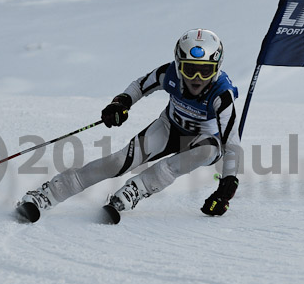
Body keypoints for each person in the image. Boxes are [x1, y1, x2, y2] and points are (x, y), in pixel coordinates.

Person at [16, 28, 242, 224]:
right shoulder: (169, 73)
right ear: (178, 63)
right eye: (190, 69)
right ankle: (48, 194)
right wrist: (121, 103)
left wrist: (226, 187)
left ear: (217, 68)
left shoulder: (221, 94)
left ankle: (138, 189)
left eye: (205, 71)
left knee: (208, 150)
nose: (197, 79)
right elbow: (139, 86)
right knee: (118, 161)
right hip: (169, 128)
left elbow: (231, 144)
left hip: (202, 141)